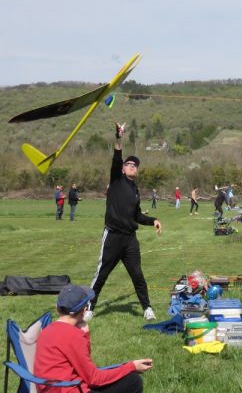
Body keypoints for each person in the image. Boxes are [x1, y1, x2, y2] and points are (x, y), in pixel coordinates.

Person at [86, 122, 162, 322]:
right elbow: (116, 156)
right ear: (122, 169)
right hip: (112, 236)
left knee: (137, 275)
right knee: (102, 274)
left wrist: (153, 220)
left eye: (134, 165)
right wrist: (119, 136)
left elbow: (136, 216)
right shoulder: (116, 180)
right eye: (128, 164)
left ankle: (147, 308)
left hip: (129, 240)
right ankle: (89, 309)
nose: (131, 166)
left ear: (137, 171)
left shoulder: (135, 191)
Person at [34, 284, 153, 393]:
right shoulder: (73, 336)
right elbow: (94, 379)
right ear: (84, 310)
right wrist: (131, 366)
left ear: (57, 308)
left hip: (50, 388)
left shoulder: (46, 331)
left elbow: (83, 365)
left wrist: (85, 335)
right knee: (133, 382)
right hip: (70, 389)